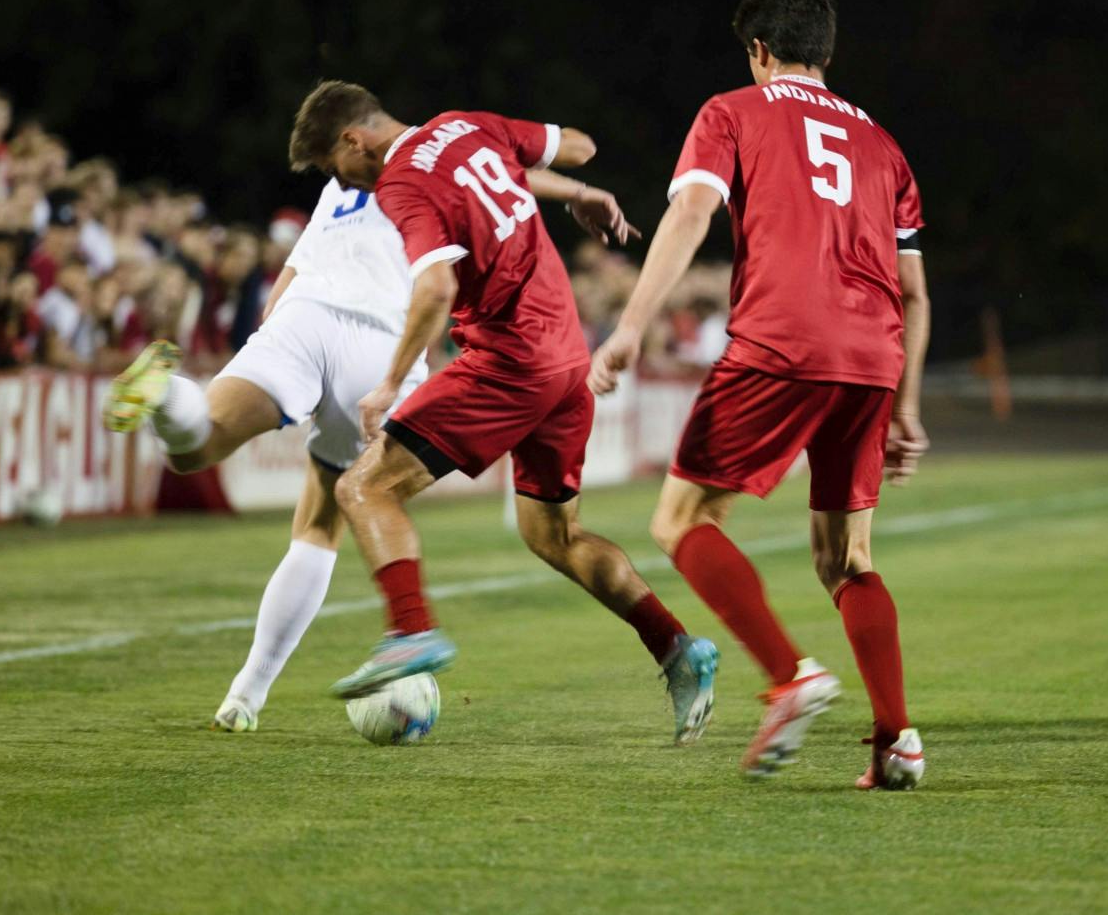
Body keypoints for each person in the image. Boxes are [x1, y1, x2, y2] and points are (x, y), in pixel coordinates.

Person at [101, 82, 715, 740]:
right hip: (565, 357)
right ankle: (678, 648)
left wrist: (390, 381)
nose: (349, 181)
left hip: (505, 357)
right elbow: (580, 146)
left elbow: (436, 287)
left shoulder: (402, 183)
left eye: (343, 167)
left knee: (362, 487)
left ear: (354, 141)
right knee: (555, 536)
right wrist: (577, 190)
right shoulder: (467, 126)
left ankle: (411, 630)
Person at [588, 0, 932, 789]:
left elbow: (691, 213)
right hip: (875, 355)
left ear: (760, 51)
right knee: (847, 557)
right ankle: (896, 740)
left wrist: (630, 325)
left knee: (681, 518)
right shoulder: (884, 144)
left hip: (783, 338)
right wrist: (908, 405)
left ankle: (789, 677)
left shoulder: (733, 111)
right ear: (828, 52)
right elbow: (916, 290)